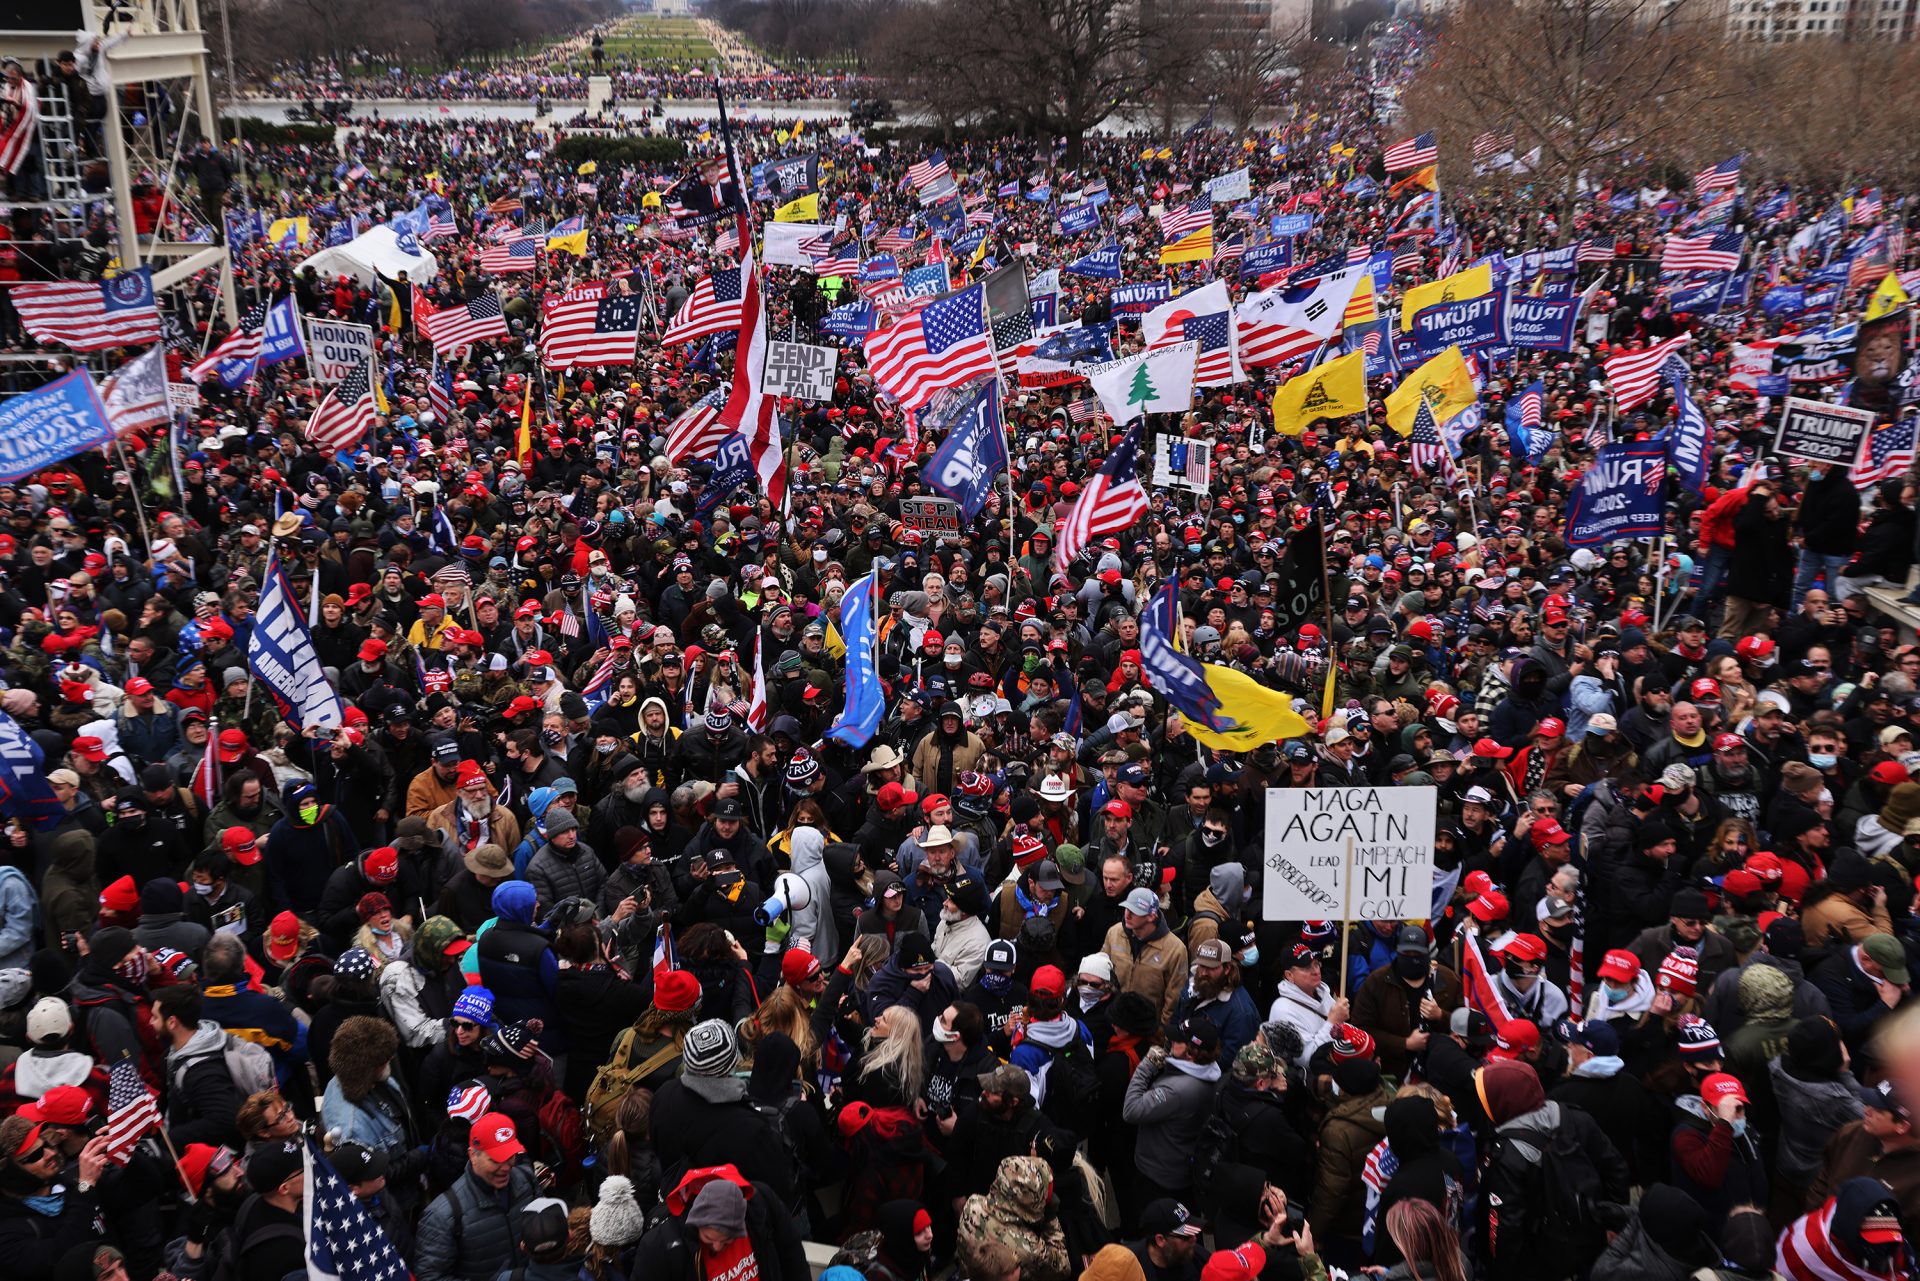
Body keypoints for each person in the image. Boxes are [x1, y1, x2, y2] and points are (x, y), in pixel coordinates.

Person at [415, 1111, 540, 1281]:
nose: (506, 1167)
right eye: (496, 1160)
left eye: (510, 1156)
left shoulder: (526, 1180)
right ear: (473, 1155)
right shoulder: (442, 1215)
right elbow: (431, 1277)